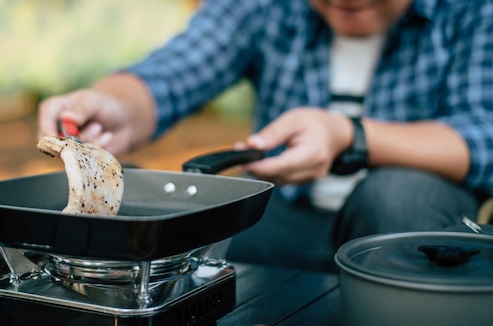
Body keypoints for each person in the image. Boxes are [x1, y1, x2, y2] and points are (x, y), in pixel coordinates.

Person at [38, 0, 493, 272]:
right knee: (143, 215)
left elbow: (483, 133)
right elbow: (171, 73)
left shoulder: (472, 10)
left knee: (398, 195)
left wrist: (349, 136)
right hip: (282, 220)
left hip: (407, 225)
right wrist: (111, 104)